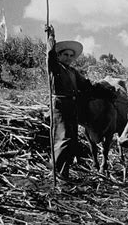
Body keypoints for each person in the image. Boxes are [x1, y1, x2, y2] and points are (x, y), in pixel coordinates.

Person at [45, 25, 113, 180]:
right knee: (63, 139)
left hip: (72, 107)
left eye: (71, 55)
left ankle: (64, 172)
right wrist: (51, 39)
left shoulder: (73, 72)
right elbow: (49, 57)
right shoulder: (55, 69)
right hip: (60, 106)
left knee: (72, 140)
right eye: (65, 55)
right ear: (59, 56)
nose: (68, 58)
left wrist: (104, 91)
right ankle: (55, 173)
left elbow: (87, 85)